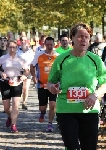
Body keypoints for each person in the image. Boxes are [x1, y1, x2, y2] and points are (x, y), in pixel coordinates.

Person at [47, 22, 106, 150]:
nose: (83, 40)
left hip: (89, 110)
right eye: (80, 36)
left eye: (86, 37)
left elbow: (105, 83)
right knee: (72, 147)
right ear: (72, 38)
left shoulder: (95, 60)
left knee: (89, 147)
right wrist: (52, 87)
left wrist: (95, 95)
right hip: (66, 110)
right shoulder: (61, 60)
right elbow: (50, 82)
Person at [0, 40, 29, 133]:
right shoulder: (3, 58)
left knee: (15, 104)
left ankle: (13, 125)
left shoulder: (21, 59)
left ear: (17, 48)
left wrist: (24, 76)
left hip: (17, 82)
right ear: (7, 47)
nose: (12, 49)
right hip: (5, 82)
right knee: (6, 108)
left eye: (14, 47)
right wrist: (1, 73)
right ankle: (10, 117)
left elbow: (26, 71)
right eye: (10, 47)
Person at [30, 37, 59, 132]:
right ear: (44, 44)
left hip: (53, 85)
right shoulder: (39, 54)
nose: (49, 46)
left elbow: (61, 70)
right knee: (43, 106)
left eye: (51, 44)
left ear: (54, 45)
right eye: (48, 44)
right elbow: (32, 66)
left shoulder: (58, 56)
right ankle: (42, 112)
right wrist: (34, 76)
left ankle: (50, 123)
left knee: (52, 104)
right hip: (41, 84)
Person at [17, 36, 34, 110]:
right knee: (18, 87)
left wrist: (30, 70)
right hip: (19, 71)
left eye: (25, 40)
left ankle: (24, 102)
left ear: (27, 41)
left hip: (28, 71)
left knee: (25, 88)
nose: (23, 41)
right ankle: (17, 102)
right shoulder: (17, 50)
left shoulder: (30, 51)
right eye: (22, 40)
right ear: (20, 41)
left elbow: (32, 62)